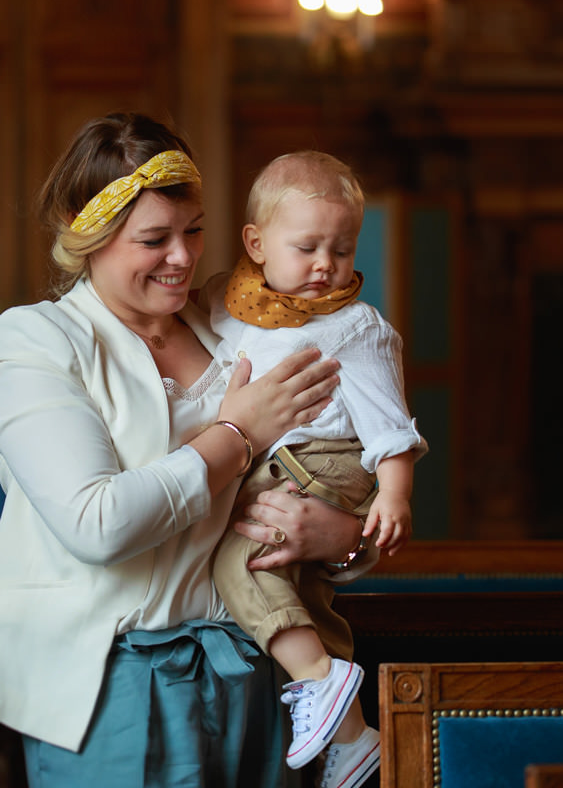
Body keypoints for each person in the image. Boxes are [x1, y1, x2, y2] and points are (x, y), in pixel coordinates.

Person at [0, 113, 376, 788]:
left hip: (256, 661)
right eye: (154, 239)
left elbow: (337, 467)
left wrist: (344, 537)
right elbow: (99, 522)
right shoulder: (40, 341)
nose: (183, 256)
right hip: (110, 677)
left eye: (194, 229)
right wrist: (237, 436)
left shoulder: (237, 329)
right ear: (93, 236)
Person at [208, 150, 425, 788]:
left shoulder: (355, 327)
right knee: (296, 588)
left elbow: (390, 422)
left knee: (239, 560)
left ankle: (322, 681)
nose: (326, 265)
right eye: (306, 247)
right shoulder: (235, 306)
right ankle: (351, 736)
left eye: (343, 248)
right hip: (281, 465)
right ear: (255, 244)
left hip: (321, 466)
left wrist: (395, 494)